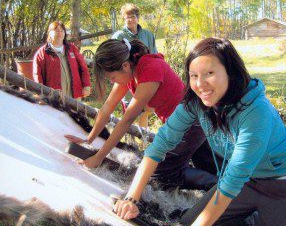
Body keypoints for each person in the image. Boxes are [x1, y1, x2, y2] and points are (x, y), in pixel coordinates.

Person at [114, 38, 286, 226]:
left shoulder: (257, 112)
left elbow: (233, 179)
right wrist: (131, 199)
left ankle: (267, 219)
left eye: (209, 74)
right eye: (194, 76)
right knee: (186, 224)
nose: (200, 84)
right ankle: (249, 221)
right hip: (248, 182)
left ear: (231, 72)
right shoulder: (196, 103)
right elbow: (159, 145)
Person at [65, 38, 218, 190]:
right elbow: (106, 108)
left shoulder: (151, 68)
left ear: (125, 65)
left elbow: (127, 119)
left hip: (192, 123)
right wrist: (89, 139)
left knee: (161, 174)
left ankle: (219, 188)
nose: (112, 81)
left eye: (112, 77)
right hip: (183, 123)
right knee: (208, 164)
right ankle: (222, 190)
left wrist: (99, 157)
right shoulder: (129, 72)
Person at [112, 3, 157, 127]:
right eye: (127, 17)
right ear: (123, 19)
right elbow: (114, 60)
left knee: (144, 110)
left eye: (132, 16)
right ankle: (128, 139)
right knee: (129, 112)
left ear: (138, 17)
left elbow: (154, 56)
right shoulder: (118, 36)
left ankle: (144, 138)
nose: (130, 19)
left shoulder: (148, 35)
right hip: (127, 78)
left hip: (145, 77)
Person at [33, 21, 91, 99]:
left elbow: (83, 68)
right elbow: (37, 76)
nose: (60, 33)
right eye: (56, 31)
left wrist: (86, 86)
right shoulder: (42, 53)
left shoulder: (72, 49)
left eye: (62, 31)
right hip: (54, 98)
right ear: (50, 33)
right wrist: (41, 95)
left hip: (74, 96)